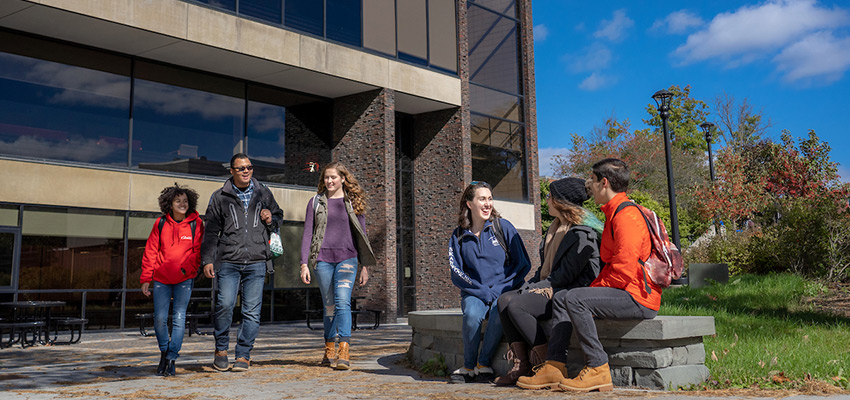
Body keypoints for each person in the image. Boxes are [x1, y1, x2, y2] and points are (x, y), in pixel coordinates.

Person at [517, 158, 659, 392]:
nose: (588, 186)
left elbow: (625, 268)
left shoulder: (626, 216)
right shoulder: (613, 213)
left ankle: (597, 367)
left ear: (604, 183)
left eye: (591, 180)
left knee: (574, 298)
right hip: (625, 290)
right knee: (564, 297)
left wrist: (591, 292)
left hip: (638, 296)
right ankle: (555, 366)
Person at [493, 177, 602, 386]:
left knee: (517, 304)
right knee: (504, 300)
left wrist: (531, 290)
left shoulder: (582, 233)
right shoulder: (554, 229)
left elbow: (564, 277)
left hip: (568, 291)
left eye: (550, 196)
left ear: (561, 201)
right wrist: (529, 286)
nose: (547, 200)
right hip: (552, 285)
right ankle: (521, 363)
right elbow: (545, 271)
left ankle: (545, 362)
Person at [201, 153, 284, 372]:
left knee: (251, 312)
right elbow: (210, 230)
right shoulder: (220, 196)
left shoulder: (263, 193)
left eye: (249, 167)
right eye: (241, 168)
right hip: (228, 261)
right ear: (232, 171)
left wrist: (271, 218)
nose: (246, 171)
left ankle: (243, 355)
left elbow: (278, 218)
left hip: (257, 261)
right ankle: (221, 350)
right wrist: (208, 259)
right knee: (225, 305)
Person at [448, 181, 531, 383]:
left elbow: (523, 265)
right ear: (469, 204)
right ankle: (468, 367)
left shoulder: (503, 227)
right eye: (482, 199)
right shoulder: (458, 235)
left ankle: (482, 364)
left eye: (490, 199)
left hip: (504, 290)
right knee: (472, 315)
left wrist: (500, 289)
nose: (487, 204)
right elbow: (456, 272)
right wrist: (481, 291)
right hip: (475, 292)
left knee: (498, 312)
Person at [299, 161, 376, 370]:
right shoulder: (315, 202)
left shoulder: (353, 203)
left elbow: (363, 236)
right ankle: (329, 347)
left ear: (343, 178)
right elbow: (308, 233)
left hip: (347, 259)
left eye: (333, 177)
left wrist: (365, 266)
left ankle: (344, 351)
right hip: (322, 260)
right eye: (326, 177)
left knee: (343, 302)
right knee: (329, 305)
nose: (329, 181)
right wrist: (304, 263)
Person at [140, 183, 204, 376]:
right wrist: (146, 278)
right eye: (178, 201)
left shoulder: (196, 224)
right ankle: (164, 351)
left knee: (178, 318)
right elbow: (151, 251)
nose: (182, 204)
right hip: (161, 279)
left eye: (185, 201)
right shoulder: (160, 224)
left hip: (185, 279)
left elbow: (198, 252)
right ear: (170, 203)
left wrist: (186, 269)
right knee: (159, 319)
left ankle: (172, 358)